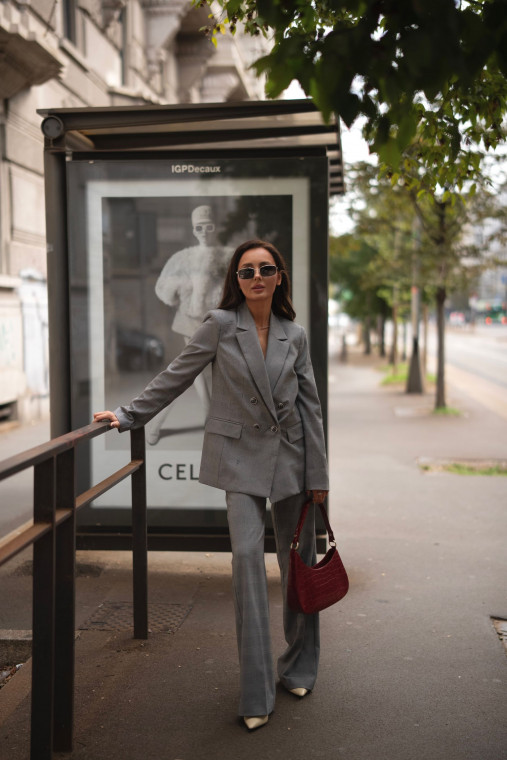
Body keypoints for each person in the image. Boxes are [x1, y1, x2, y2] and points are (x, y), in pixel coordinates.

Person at [94, 239, 329, 731]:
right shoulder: (220, 326)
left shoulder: (295, 334)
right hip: (239, 458)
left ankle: (300, 665)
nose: (257, 277)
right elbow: (175, 376)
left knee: (298, 563)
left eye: (266, 269)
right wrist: (128, 415)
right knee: (246, 560)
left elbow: (310, 408)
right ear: (236, 281)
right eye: (246, 271)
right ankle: (256, 687)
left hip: (291, 462)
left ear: (280, 276)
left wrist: (318, 477)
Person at [147, 205, 232, 444]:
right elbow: (165, 289)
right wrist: (184, 295)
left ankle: (206, 415)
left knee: (197, 372)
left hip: (216, 323)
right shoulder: (183, 258)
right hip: (190, 322)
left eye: (209, 227)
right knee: (187, 372)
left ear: (215, 227)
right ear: (194, 230)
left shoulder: (227, 256)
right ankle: (158, 423)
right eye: (199, 228)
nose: (204, 232)